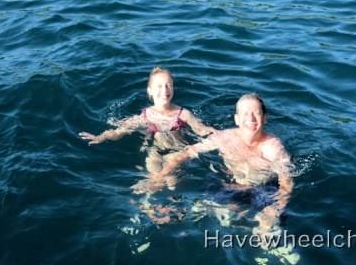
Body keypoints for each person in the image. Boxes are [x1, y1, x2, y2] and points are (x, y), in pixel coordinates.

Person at [134, 93, 293, 234]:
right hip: (231, 185)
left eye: (256, 113)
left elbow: (286, 181)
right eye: (245, 113)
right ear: (236, 119)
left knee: (269, 225)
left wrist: (277, 207)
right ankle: (145, 223)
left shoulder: (273, 147)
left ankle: (274, 252)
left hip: (264, 188)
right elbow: (185, 154)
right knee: (198, 210)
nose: (250, 119)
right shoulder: (225, 138)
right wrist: (159, 177)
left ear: (265, 118)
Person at [78, 67, 214, 183]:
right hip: (154, 151)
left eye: (168, 85)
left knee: (171, 181)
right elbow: (120, 131)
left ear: (173, 88)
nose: (165, 89)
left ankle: (174, 205)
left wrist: (217, 134)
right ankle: (152, 206)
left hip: (178, 151)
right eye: (159, 86)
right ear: (150, 91)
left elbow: (201, 130)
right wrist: (101, 137)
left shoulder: (183, 114)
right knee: (153, 175)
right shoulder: (144, 117)